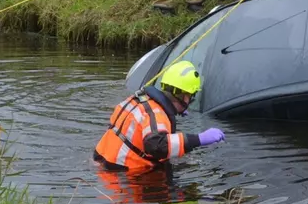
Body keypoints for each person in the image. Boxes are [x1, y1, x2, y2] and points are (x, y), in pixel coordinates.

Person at [93, 60, 225, 173]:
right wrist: (198, 139)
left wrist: (173, 111)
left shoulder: (138, 100)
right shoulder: (157, 115)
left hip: (101, 159)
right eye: (191, 97)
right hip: (122, 173)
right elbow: (156, 145)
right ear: (184, 96)